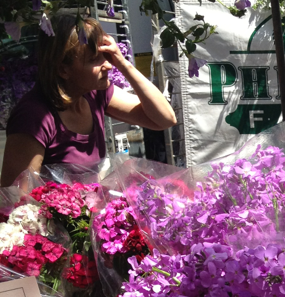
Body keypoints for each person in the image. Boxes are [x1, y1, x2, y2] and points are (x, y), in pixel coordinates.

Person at [1, 11, 176, 186]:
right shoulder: (34, 117)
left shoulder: (94, 94)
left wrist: (124, 64)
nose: (108, 65)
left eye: (106, 56)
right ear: (63, 70)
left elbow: (165, 119)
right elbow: (16, 199)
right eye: (94, 59)